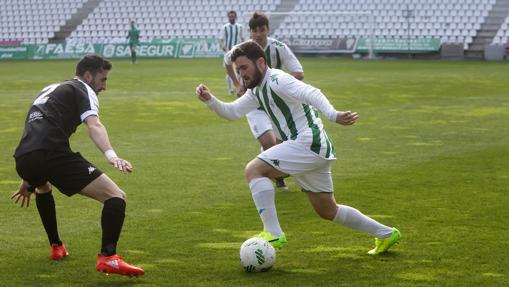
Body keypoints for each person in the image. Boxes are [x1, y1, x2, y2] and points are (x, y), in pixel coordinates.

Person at [195, 41, 401, 255]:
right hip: (312, 148)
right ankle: (387, 233)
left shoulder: (277, 79)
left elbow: (312, 92)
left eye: (244, 68)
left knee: (254, 170)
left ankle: (273, 233)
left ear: (261, 63)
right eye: (238, 70)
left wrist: (333, 114)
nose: (241, 75)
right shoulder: (256, 90)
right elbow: (231, 112)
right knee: (327, 210)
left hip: (307, 142)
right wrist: (210, 100)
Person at [11, 55, 144, 277]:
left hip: (24, 156)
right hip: (51, 153)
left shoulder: (52, 88)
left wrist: (29, 175)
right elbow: (94, 125)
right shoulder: (83, 89)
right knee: (115, 196)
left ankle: (57, 247)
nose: (104, 86)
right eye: (103, 79)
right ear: (88, 75)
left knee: (43, 186)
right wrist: (112, 156)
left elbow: (39, 128)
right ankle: (108, 257)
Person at [224, 12, 304, 190]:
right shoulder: (241, 49)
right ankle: (279, 178)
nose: (258, 34)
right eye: (254, 30)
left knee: (281, 145)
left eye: (262, 29)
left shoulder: (278, 47)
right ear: (250, 31)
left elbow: (298, 72)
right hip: (254, 103)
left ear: (268, 29)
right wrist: (237, 84)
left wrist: (280, 87)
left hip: (276, 104)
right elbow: (226, 61)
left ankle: (274, 166)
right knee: (268, 143)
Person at [219, 10, 245, 95]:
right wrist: (223, 47)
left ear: (236, 17)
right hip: (228, 53)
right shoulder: (225, 27)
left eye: (233, 16)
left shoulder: (240, 27)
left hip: (237, 53)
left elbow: (243, 39)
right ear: (228, 17)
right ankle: (230, 89)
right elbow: (222, 40)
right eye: (230, 16)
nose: (231, 18)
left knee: (239, 71)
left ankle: (237, 87)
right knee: (229, 71)